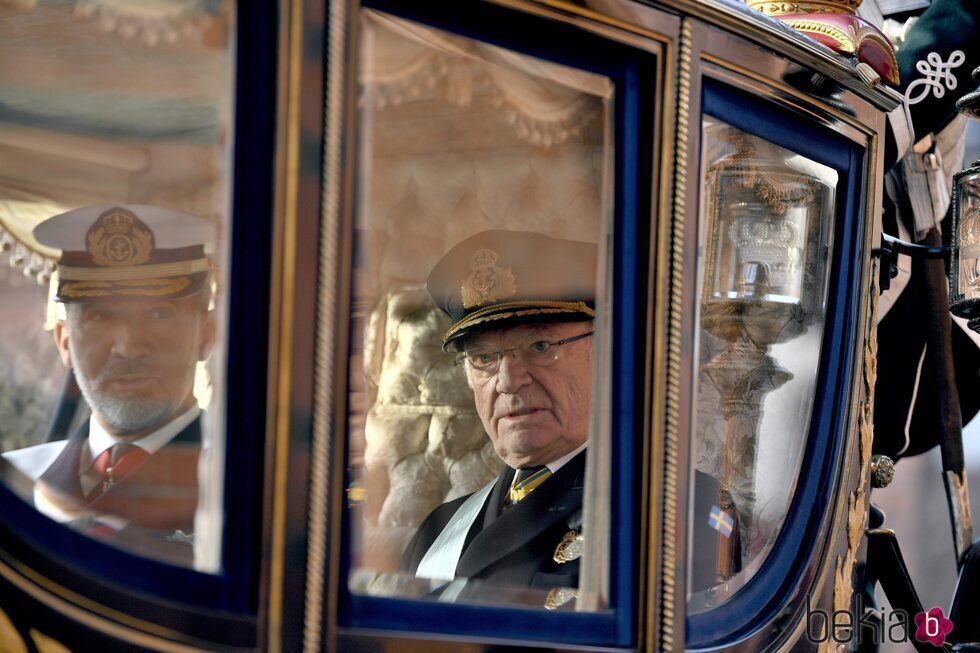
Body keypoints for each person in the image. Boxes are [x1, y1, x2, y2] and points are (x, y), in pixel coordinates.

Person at [2, 204, 216, 565]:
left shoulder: (252, 486)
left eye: (159, 313)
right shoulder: (15, 482)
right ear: (64, 341)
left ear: (205, 335)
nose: (129, 346)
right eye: (101, 314)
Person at [400, 230, 596, 607]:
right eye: (484, 358)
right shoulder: (439, 530)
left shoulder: (667, 514)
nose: (507, 381)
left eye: (539, 346)